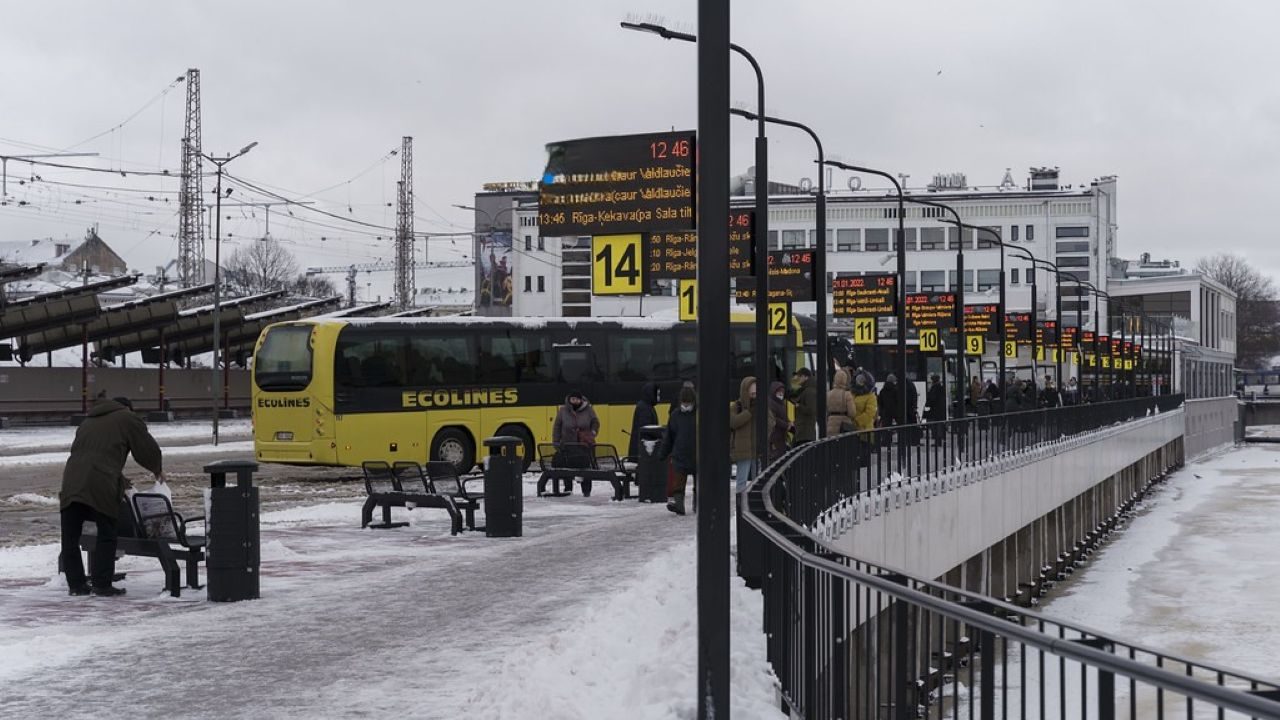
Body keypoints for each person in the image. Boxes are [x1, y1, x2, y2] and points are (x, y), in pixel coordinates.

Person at [60, 394, 163, 597]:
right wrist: (157, 468)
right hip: (100, 483)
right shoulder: (127, 418)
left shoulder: (88, 420)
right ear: (128, 408)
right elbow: (145, 446)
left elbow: (95, 456)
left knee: (70, 537)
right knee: (107, 532)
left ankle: (76, 585)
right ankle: (102, 584)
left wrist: (121, 481)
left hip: (72, 481)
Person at [659, 386, 697, 515]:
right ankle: (679, 505)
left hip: (696, 455)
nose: (686, 405)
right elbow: (669, 436)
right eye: (684, 402)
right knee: (678, 484)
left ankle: (698, 505)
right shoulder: (675, 415)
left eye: (688, 402)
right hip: (681, 455)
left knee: (699, 484)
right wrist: (662, 453)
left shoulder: (698, 414)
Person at [552, 390, 600, 476]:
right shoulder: (563, 411)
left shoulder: (588, 410)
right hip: (568, 445)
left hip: (584, 446)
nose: (575, 401)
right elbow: (557, 427)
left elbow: (595, 422)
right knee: (567, 470)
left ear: (581, 400)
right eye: (573, 399)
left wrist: (593, 432)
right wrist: (556, 442)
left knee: (585, 471)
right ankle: (568, 489)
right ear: (569, 400)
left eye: (577, 399)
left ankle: (586, 489)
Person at [729, 376, 761, 492]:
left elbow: (771, 421)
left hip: (757, 448)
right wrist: (748, 412)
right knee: (741, 481)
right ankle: (740, 505)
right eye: (752, 393)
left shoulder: (761, 405)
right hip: (743, 450)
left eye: (756, 393)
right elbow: (733, 422)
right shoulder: (737, 406)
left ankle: (753, 505)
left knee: (758, 480)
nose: (754, 396)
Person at [627, 382, 659, 460]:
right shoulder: (644, 408)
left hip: (643, 448)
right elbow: (646, 428)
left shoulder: (647, 406)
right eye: (657, 395)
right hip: (642, 450)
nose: (658, 397)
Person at [789, 367, 818, 446]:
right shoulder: (805, 390)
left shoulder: (809, 391)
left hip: (805, 432)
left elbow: (811, 410)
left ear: (806, 377)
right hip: (802, 431)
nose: (798, 378)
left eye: (800, 376)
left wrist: (798, 406)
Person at [825, 369, 858, 436]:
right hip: (844, 426)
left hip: (830, 424)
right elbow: (852, 413)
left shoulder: (828, 394)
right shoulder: (847, 394)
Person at [767, 381, 793, 463]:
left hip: (781, 436)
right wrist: (786, 425)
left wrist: (789, 422)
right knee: (775, 459)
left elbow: (783, 416)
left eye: (782, 391)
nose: (781, 393)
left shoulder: (781, 403)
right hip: (774, 436)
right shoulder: (770, 403)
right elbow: (774, 418)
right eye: (779, 391)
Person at [924, 374, 946, 446]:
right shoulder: (941, 387)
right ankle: (939, 441)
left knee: (935, 426)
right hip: (941, 410)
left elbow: (932, 399)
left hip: (935, 410)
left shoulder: (934, 388)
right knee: (939, 426)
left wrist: (927, 403)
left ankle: (937, 441)